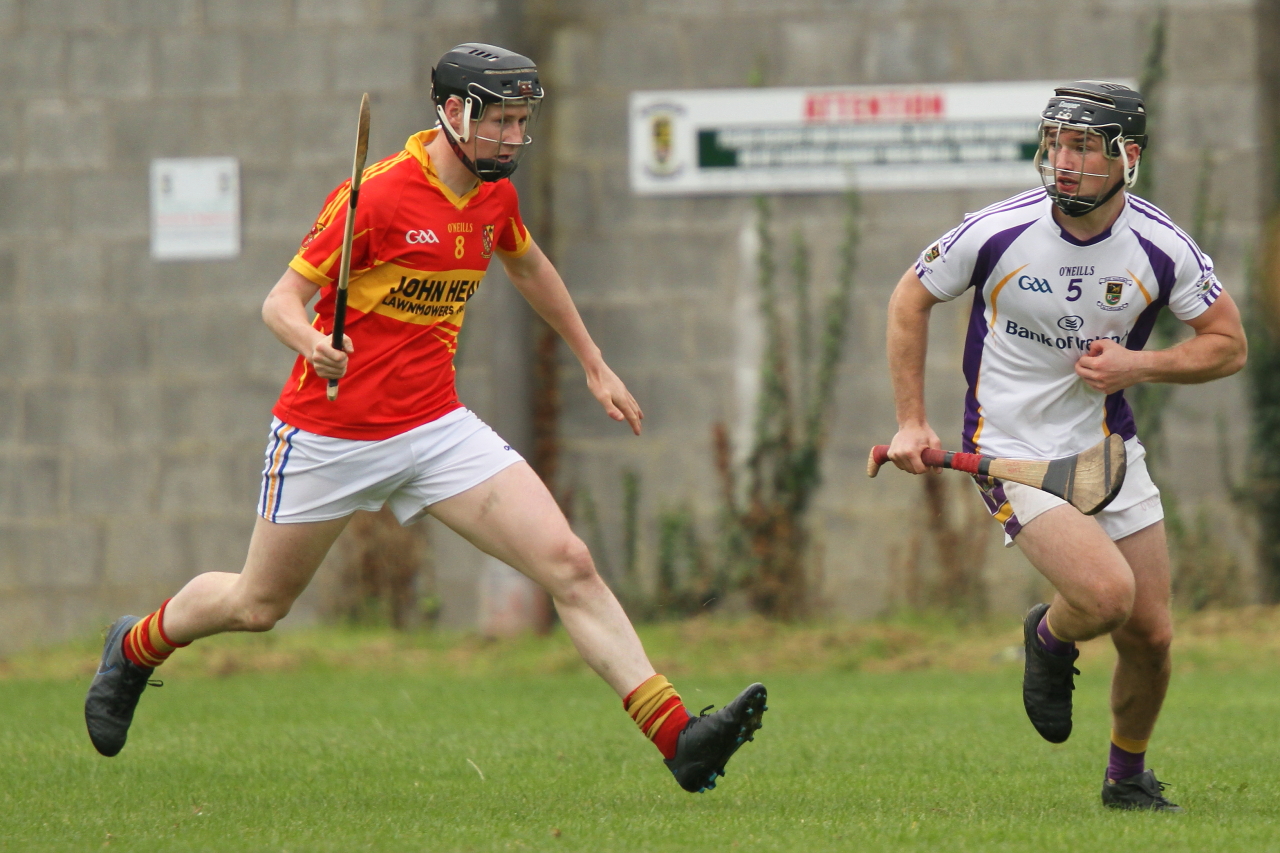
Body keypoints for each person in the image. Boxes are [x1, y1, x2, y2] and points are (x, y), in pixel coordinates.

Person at [85, 43, 766, 794]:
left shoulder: (494, 197)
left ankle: (681, 740)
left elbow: (529, 266)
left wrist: (593, 359)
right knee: (257, 604)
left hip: (435, 429)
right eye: (500, 121)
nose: (512, 138)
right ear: (452, 111)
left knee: (568, 562)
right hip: (329, 433)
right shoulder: (374, 199)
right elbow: (278, 301)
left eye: (520, 122)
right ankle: (135, 647)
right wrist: (315, 342)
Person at [885, 81, 1246, 811]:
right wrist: (911, 420)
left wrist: (1137, 365)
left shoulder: (1160, 245)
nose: (1064, 161)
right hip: (1008, 447)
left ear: (1128, 156)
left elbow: (1229, 346)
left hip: (1106, 449)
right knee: (1106, 596)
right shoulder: (997, 230)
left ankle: (1127, 779)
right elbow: (909, 298)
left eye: (1084, 145)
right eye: (1056, 143)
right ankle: (1050, 639)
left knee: (1151, 632)